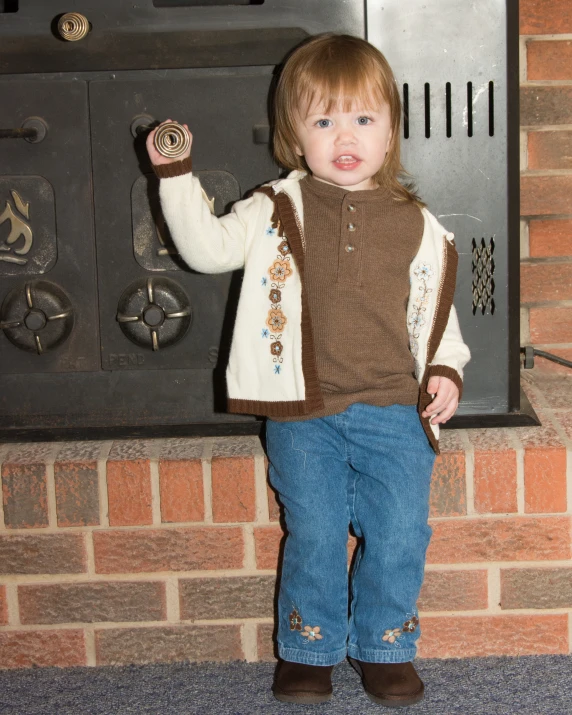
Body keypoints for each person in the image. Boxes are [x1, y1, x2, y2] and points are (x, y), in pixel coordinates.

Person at [147, 33, 470, 708]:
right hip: (303, 413)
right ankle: (309, 646)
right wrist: (176, 180)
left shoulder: (419, 224)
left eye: (362, 118)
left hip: (392, 410)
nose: (343, 135)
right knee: (317, 529)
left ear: (390, 133)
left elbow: (438, 316)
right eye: (323, 120)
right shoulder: (275, 208)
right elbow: (206, 250)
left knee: (401, 528)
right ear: (296, 135)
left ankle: (385, 645)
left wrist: (445, 367)